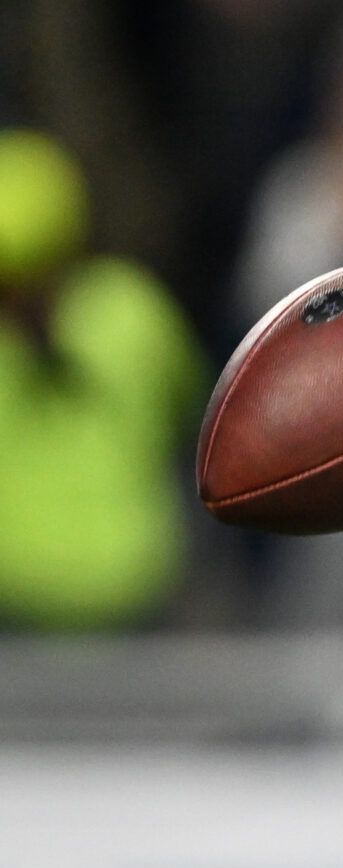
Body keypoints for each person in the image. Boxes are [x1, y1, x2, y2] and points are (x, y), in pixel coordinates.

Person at [0, 128, 203, 629]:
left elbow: (196, 424)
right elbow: (195, 419)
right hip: (32, 610)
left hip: (136, 606)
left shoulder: (130, 312)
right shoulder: (132, 307)